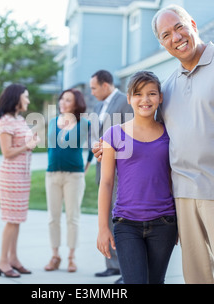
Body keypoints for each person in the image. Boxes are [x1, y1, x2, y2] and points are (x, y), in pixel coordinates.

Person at [95, 5, 214, 284]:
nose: (175, 37)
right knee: (198, 278)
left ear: (193, 25)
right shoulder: (169, 87)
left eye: (179, 27)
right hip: (184, 203)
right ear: (162, 44)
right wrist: (109, 144)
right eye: (166, 35)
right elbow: (150, 134)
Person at [97, 71, 177, 284]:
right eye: (138, 94)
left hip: (164, 223)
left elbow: (174, 179)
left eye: (151, 93)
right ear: (129, 98)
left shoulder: (171, 135)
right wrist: (103, 227)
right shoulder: (114, 134)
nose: (145, 99)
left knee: (155, 282)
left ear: (160, 97)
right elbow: (106, 183)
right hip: (126, 224)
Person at [90, 70, 133, 283]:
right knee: (106, 217)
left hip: (121, 170)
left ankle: (125, 270)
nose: (92, 92)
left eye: (94, 88)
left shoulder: (124, 102)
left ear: (106, 85)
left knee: (121, 219)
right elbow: (96, 135)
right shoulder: (97, 106)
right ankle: (112, 265)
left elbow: (132, 133)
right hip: (102, 170)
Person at [44, 88, 93, 273]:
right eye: (62, 99)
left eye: (68, 100)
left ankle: (71, 258)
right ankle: (55, 255)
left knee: (73, 217)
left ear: (76, 104)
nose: (62, 103)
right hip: (52, 175)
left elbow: (93, 145)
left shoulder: (85, 123)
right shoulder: (52, 122)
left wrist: (87, 166)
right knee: (52, 218)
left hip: (74, 176)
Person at [0, 83, 40, 278]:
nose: (28, 101)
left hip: (22, 176)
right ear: (16, 99)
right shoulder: (5, 121)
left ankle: (13, 258)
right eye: (26, 97)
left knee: (18, 220)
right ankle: (2, 261)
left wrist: (31, 144)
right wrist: (27, 146)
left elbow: (23, 145)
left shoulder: (20, 120)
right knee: (11, 220)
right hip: (11, 176)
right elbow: (7, 152)